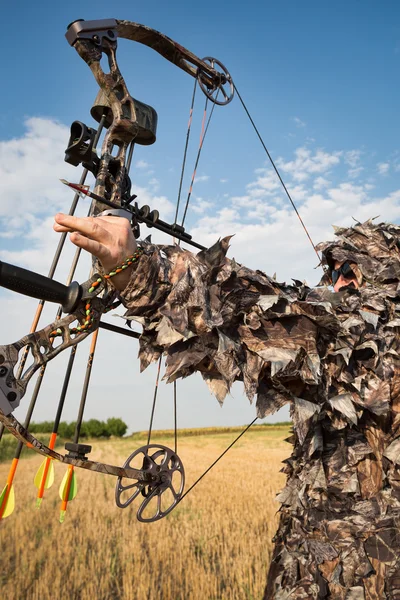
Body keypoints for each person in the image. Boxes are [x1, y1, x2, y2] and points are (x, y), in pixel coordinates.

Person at [54, 212, 400, 599]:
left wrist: (142, 268)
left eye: (353, 269)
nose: (338, 282)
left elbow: (280, 323)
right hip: (307, 570)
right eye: (332, 271)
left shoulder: (382, 346)